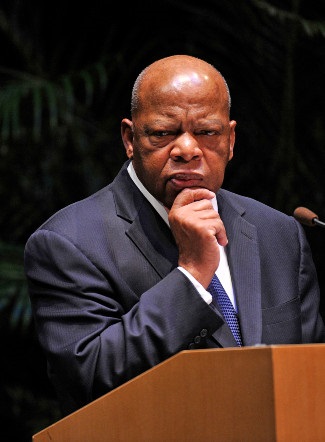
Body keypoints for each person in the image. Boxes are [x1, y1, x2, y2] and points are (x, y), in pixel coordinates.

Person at [24, 54, 325, 416]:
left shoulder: (279, 234)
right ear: (130, 138)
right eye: (164, 133)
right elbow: (90, 379)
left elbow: (310, 379)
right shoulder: (68, 243)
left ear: (230, 140)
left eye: (207, 132)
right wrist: (192, 276)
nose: (187, 149)